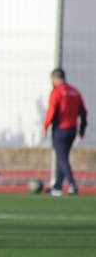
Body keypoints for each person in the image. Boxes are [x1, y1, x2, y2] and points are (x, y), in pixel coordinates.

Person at [43, 68, 87, 196]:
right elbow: (83, 112)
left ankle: (72, 185)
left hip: (60, 129)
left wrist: (45, 126)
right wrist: (82, 128)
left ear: (55, 78)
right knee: (63, 157)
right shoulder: (75, 91)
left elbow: (51, 110)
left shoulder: (56, 92)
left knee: (62, 158)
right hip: (72, 129)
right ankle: (57, 186)